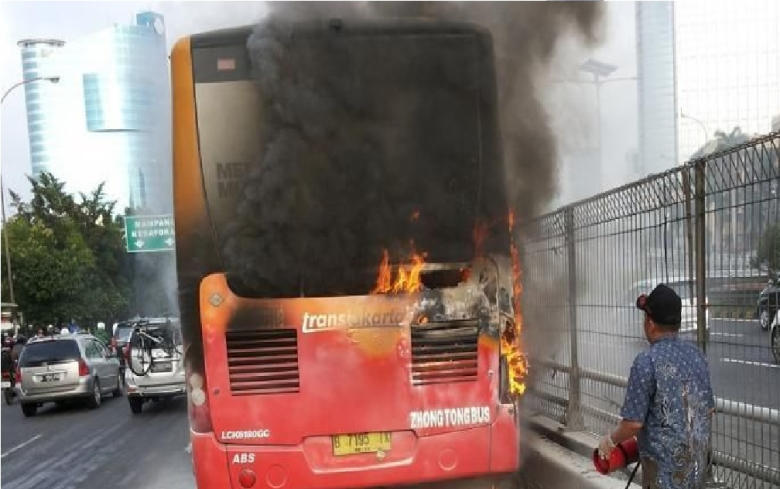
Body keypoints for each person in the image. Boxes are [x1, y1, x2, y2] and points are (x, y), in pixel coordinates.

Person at [597, 284, 714, 489]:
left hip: (664, 478)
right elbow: (709, 410)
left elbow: (632, 424)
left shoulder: (646, 361)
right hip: (698, 472)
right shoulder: (697, 356)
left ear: (650, 323)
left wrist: (610, 441)